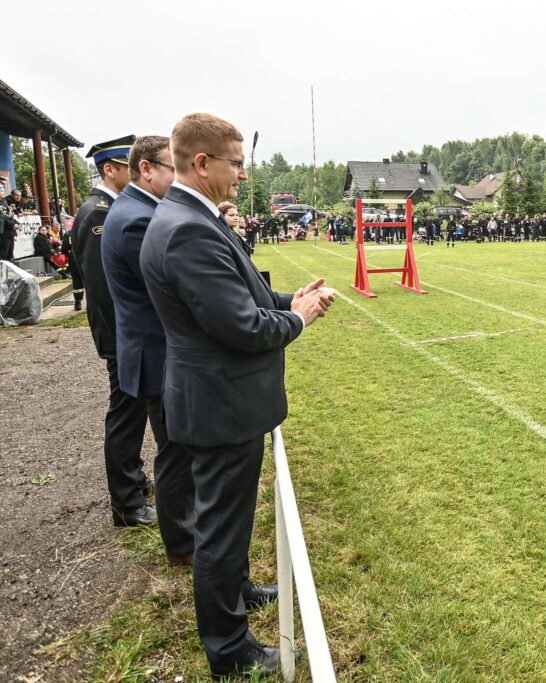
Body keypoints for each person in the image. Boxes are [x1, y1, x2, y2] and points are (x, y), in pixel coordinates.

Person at [140, 113, 334, 680]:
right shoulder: (188, 228)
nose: (243, 175)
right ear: (202, 164)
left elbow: (241, 290)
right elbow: (242, 326)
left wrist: (287, 297)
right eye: (236, 163)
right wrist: (295, 319)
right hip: (220, 404)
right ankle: (230, 649)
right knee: (220, 531)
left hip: (220, 398)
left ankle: (239, 589)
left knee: (230, 521)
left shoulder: (190, 217)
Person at [101, 135, 195, 566]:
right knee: (175, 450)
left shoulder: (138, 210)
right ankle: (184, 545)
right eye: (172, 167)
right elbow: (170, 283)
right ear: (146, 169)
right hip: (157, 351)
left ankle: (184, 536)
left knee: (175, 446)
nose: (178, 177)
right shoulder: (137, 218)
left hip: (151, 346)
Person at [71, 135, 158, 528]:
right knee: (126, 414)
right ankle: (126, 503)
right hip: (122, 336)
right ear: (110, 169)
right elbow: (104, 291)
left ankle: (135, 482)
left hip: (127, 336)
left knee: (133, 410)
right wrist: (123, 344)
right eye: (129, 167)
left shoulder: (111, 209)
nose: (137, 173)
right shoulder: (98, 214)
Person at [1, 189, 21, 261]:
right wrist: (12, 224)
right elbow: (3, 216)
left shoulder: (4, 201)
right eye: (1, 190)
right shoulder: (5, 201)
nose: (3, 192)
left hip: (10, 232)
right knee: (4, 253)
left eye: (3, 190)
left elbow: (10, 215)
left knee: (10, 254)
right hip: (4, 231)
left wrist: (17, 223)